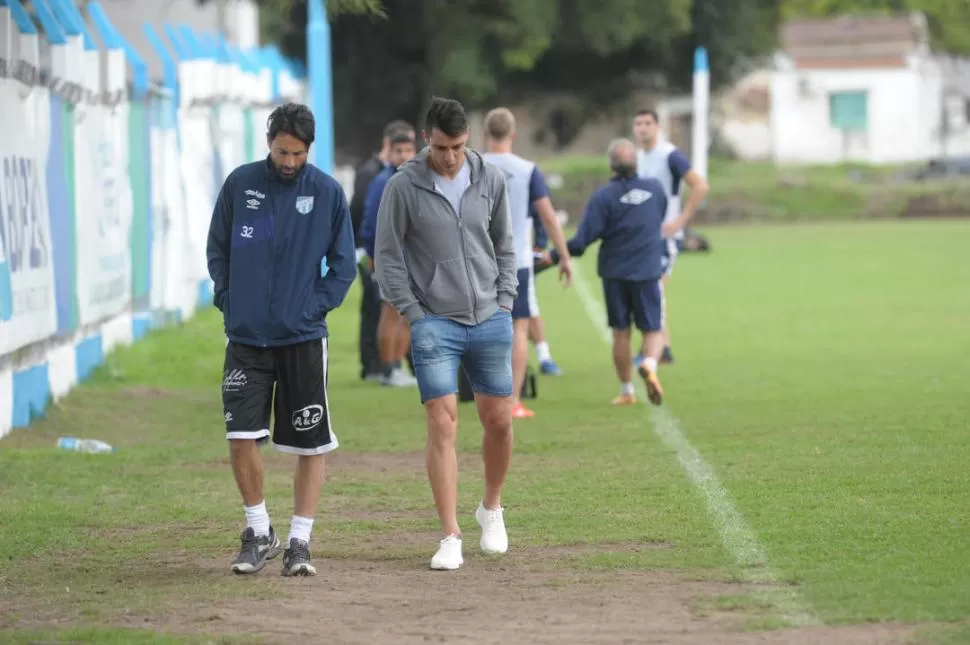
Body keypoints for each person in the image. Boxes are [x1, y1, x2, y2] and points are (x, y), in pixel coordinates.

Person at [206, 103, 356, 577]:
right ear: (268, 143)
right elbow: (217, 249)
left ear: (309, 150)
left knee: (310, 445)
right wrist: (229, 299)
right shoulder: (240, 184)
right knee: (240, 436)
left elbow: (344, 265)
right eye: (281, 151)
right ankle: (258, 530)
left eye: (297, 153)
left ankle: (299, 542)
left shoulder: (327, 194)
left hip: (302, 338)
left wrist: (312, 307)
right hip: (246, 338)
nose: (288, 161)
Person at [374, 96, 517, 571]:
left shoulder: (490, 179)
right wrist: (414, 313)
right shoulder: (402, 186)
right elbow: (388, 257)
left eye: (457, 146)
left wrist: (505, 301)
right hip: (433, 321)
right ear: (425, 139)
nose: (450, 157)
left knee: (499, 420)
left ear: (468, 140)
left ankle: (491, 508)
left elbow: (505, 246)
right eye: (441, 147)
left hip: (490, 317)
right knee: (441, 422)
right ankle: (450, 534)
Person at [539, 139, 693, 406]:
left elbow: (581, 241)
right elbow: (658, 216)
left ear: (611, 165)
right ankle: (649, 364)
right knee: (653, 331)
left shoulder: (604, 197)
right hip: (647, 271)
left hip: (615, 273)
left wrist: (553, 256)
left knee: (621, 332)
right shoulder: (655, 189)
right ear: (636, 162)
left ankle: (626, 391)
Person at [481, 107, 572, 419]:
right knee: (518, 328)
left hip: (477, 260)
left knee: (479, 326)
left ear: (485, 133)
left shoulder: (471, 166)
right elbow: (548, 216)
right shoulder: (527, 169)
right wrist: (565, 256)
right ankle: (513, 401)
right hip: (515, 260)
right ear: (513, 135)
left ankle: (486, 396)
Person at [632, 108, 709, 365]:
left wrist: (681, 220)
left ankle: (658, 349)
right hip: (643, 236)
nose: (642, 128)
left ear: (658, 127)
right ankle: (659, 348)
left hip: (665, 236)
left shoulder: (670, 155)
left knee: (654, 290)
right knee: (648, 291)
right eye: (638, 123)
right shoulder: (639, 157)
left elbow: (700, 185)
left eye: (647, 123)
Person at [350, 120, 416, 381]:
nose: (403, 156)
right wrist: (374, 256)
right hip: (388, 258)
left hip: (412, 258)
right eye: (398, 151)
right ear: (390, 152)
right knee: (391, 312)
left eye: (408, 151)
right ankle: (388, 368)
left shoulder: (415, 179)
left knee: (409, 314)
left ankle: (398, 366)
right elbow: (369, 223)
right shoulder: (381, 181)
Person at [528, 213, 563, 376]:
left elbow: (540, 214)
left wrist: (539, 246)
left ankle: (544, 358)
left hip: (520, 260)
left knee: (527, 309)